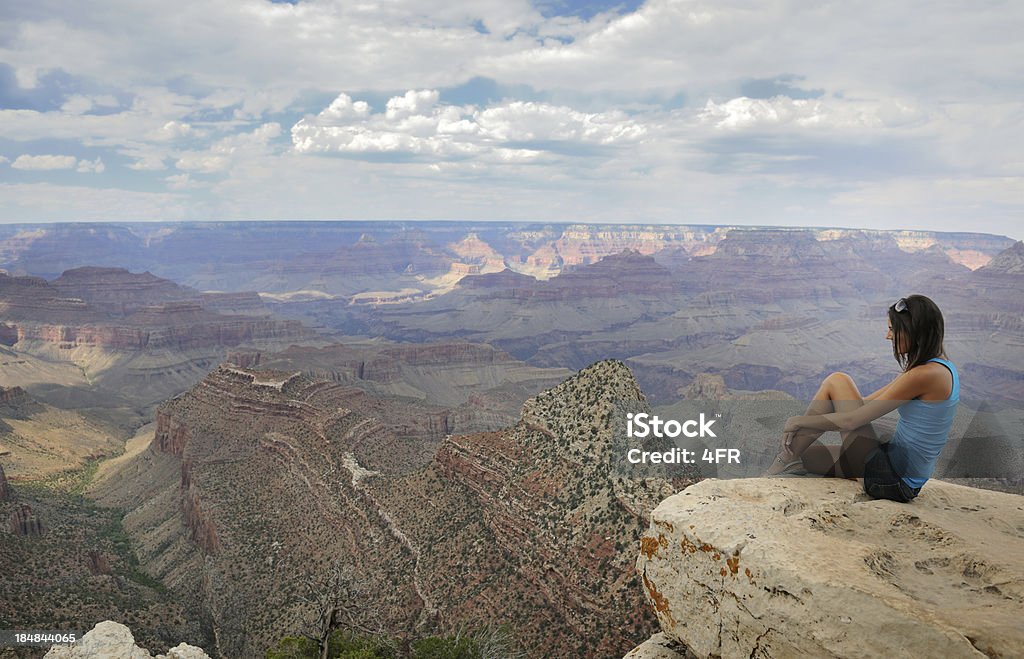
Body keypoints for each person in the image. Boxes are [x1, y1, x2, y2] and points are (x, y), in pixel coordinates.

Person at [764, 295, 959, 503]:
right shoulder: (936, 367)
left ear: (913, 330)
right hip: (889, 465)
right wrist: (828, 409)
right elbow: (865, 403)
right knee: (803, 457)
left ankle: (774, 469)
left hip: (891, 481)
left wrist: (798, 421)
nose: (888, 336)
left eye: (893, 329)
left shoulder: (924, 375)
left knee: (837, 380)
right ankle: (784, 461)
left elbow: (852, 420)